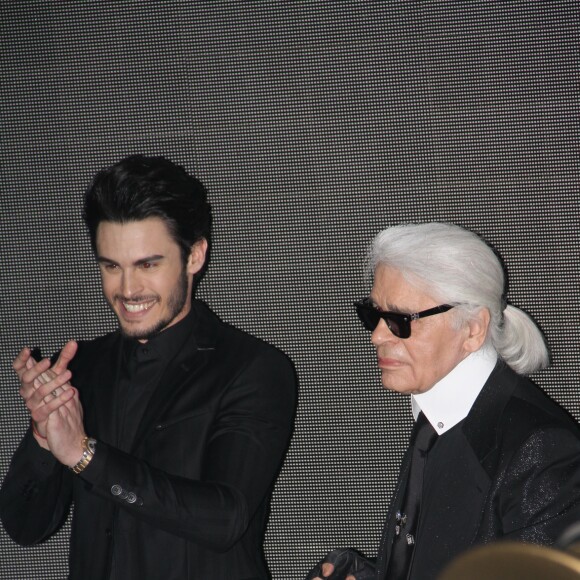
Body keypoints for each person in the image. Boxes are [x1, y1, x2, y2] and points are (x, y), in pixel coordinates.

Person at [0, 155, 297, 580]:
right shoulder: (80, 368)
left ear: (194, 256)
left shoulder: (252, 368)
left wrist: (85, 456)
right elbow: (24, 527)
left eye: (148, 264)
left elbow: (224, 518)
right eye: (111, 266)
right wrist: (44, 436)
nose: (127, 289)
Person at [307, 222, 580, 580]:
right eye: (373, 314)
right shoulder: (437, 420)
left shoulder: (543, 449)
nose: (376, 336)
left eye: (400, 320)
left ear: (472, 329)